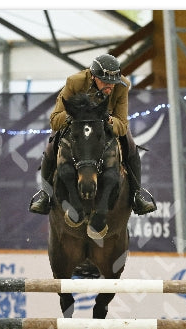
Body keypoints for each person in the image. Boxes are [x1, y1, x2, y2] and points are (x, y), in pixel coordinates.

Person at [29, 53, 157, 216]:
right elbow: (54, 120)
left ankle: (136, 195)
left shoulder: (122, 85)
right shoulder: (75, 82)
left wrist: (109, 120)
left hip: (104, 123)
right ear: (93, 76)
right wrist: (74, 114)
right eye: (105, 81)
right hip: (76, 123)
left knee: (130, 143)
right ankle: (45, 195)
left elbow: (122, 125)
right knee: (51, 145)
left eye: (113, 82)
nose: (110, 86)